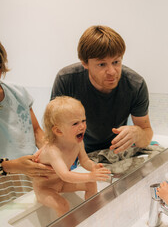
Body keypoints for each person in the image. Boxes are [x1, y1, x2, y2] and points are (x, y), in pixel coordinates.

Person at [51, 25, 153, 154]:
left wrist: (138, 133)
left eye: (116, 62)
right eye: (101, 64)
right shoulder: (66, 80)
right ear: (85, 63)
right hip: (76, 150)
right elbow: (53, 131)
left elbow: (146, 135)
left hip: (116, 149)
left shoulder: (136, 85)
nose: (111, 72)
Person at [32, 96, 111, 217]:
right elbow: (66, 175)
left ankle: (92, 215)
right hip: (45, 188)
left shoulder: (78, 142)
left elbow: (84, 161)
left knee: (91, 184)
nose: (82, 126)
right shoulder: (53, 151)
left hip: (62, 183)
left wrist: (94, 168)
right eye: (75, 123)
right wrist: (90, 175)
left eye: (83, 120)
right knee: (63, 205)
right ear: (58, 131)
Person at [0, 41, 54, 206]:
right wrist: (10, 166)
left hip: (28, 171)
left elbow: (36, 130)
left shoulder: (18, 93)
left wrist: (48, 150)